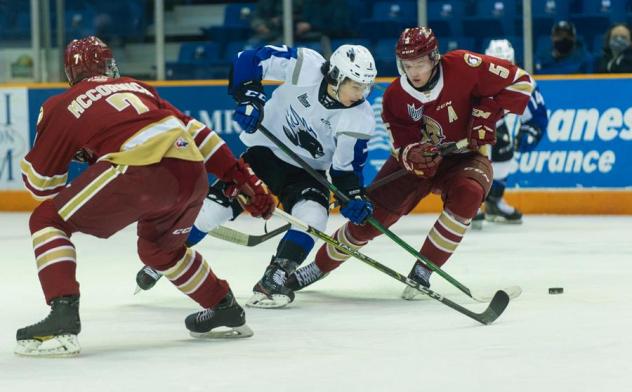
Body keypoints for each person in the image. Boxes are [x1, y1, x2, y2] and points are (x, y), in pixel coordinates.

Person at [15, 36, 275, 357]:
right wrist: (244, 180)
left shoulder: (61, 103)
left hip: (140, 172)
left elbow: (42, 185)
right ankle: (223, 307)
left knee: (47, 220)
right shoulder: (137, 87)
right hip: (191, 171)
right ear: (109, 65)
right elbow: (199, 133)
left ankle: (62, 315)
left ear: (69, 71)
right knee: (159, 251)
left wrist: (51, 157)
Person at [284, 27, 534, 299]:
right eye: (407, 65)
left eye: (420, 63)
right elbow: (401, 145)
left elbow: (521, 81)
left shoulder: (465, 65)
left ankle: (423, 271)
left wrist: (486, 115)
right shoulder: (395, 97)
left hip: (466, 157)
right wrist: (412, 155)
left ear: (434, 57)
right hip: (416, 167)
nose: (414, 72)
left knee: (469, 193)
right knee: (368, 221)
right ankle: (319, 267)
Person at [135, 43, 377, 308]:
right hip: (264, 154)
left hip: (308, 174)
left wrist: (353, 195)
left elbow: (345, 170)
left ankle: (276, 276)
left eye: (366, 86)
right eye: (356, 85)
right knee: (212, 211)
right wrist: (249, 97)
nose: (362, 93)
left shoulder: (360, 117)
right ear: (336, 77)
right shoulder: (306, 66)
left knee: (315, 217)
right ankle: (165, 258)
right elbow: (249, 58)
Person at [472, 39, 549, 228]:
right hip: (467, 125)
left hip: (494, 124)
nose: (500, 70)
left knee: (504, 146)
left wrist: (530, 131)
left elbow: (537, 115)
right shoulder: (471, 77)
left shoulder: (522, 82)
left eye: (505, 64)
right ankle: (465, 201)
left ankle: (494, 201)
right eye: (495, 64)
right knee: (468, 157)